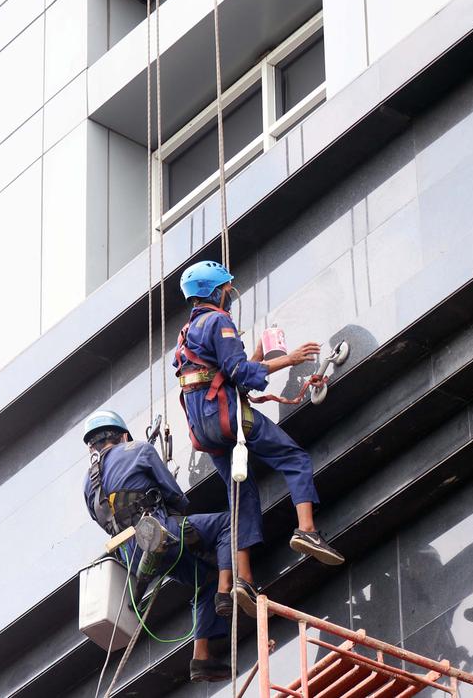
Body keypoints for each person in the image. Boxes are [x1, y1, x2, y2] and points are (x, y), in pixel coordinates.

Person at [172, 261, 344, 617]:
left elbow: (226, 374)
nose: (230, 295)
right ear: (216, 291)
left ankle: (243, 578)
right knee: (293, 458)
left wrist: (257, 357)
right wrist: (290, 359)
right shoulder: (219, 322)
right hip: (228, 420)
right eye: (227, 289)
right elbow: (237, 373)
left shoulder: (188, 331)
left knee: (242, 492)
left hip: (205, 431)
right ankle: (307, 530)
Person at [81, 409, 233, 683]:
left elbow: (103, 520)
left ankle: (201, 659)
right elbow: (176, 497)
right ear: (123, 434)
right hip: (160, 534)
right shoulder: (139, 449)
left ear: (91, 446)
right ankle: (226, 593)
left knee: (203, 578)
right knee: (227, 524)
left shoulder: (87, 484)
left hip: (135, 559)